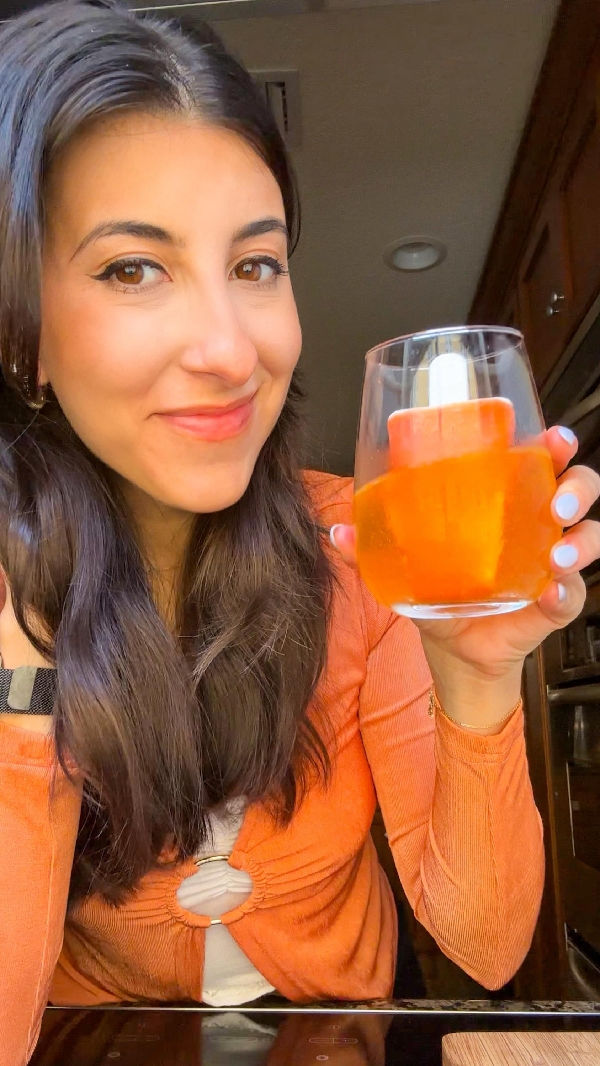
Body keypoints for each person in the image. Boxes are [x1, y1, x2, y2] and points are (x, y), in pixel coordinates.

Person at [0, 2, 598, 1063]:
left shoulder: (361, 544)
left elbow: (487, 945)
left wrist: (474, 677)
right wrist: (22, 697)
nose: (232, 352)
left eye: (255, 265)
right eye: (133, 268)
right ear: (25, 333)